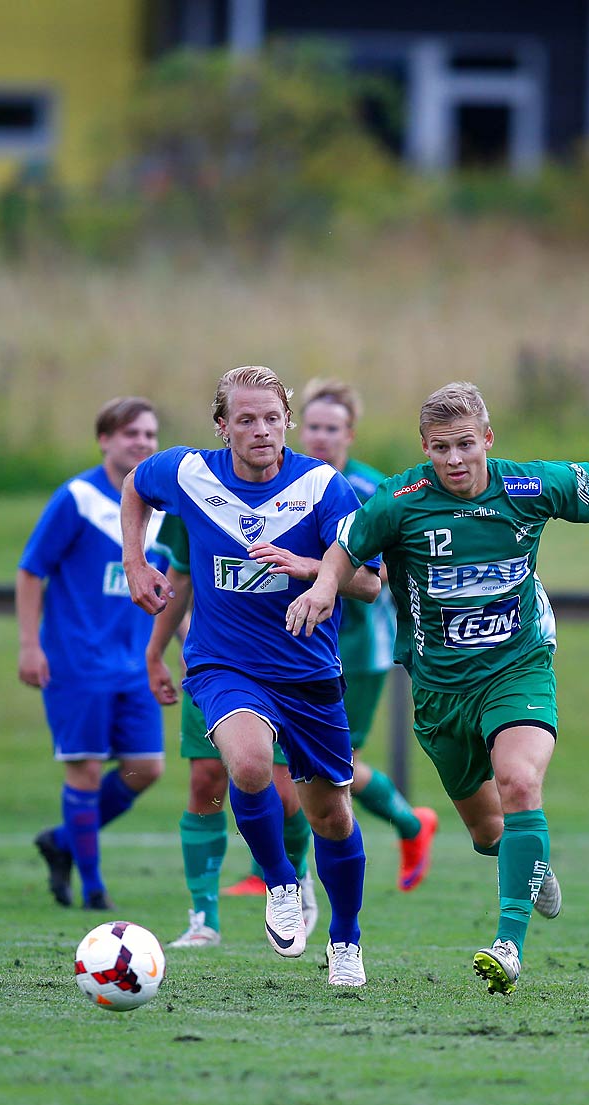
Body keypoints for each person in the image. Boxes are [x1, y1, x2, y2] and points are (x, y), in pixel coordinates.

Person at [287, 381, 589, 996]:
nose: (454, 460)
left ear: (488, 439)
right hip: (438, 689)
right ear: (424, 448)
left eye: (464, 445)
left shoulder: (531, 485)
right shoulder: (398, 499)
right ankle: (529, 866)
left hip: (518, 667)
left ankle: (508, 947)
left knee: (520, 783)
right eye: (440, 448)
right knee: (487, 832)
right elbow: (347, 550)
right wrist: (323, 587)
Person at [122, 366, 383, 988]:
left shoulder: (324, 487)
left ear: (286, 421)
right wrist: (134, 560)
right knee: (246, 764)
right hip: (225, 663)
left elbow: (370, 584)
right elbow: (135, 484)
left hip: (308, 670)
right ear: (223, 426)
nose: (260, 430)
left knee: (332, 817)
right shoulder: (190, 472)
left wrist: (307, 568)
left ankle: (345, 940)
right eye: (246, 419)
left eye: (271, 418)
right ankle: (282, 884)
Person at [18, 398, 169, 911]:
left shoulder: (165, 510)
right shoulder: (78, 498)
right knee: (83, 770)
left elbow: (174, 587)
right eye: (130, 433)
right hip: (77, 663)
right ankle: (94, 889)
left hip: (135, 664)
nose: (142, 443)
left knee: (145, 768)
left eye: (150, 434)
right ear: (104, 440)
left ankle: (63, 840)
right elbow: (30, 571)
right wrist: (29, 644)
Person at [145, 514, 315, 950]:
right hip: (215, 666)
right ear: (225, 438)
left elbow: (355, 573)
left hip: (284, 668)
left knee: (282, 792)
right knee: (205, 782)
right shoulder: (193, 490)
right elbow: (179, 576)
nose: (260, 438)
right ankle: (203, 917)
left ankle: (293, 880)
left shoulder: (309, 492)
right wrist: (157, 651)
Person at [297, 378, 439, 890]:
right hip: (301, 642)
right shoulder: (288, 485)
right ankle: (277, 875)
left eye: (331, 428)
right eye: (312, 426)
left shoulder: (371, 490)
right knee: (295, 755)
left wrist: (309, 569)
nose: (320, 436)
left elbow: (380, 581)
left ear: (349, 434)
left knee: (331, 763)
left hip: (358, 648)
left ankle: (409, 823)